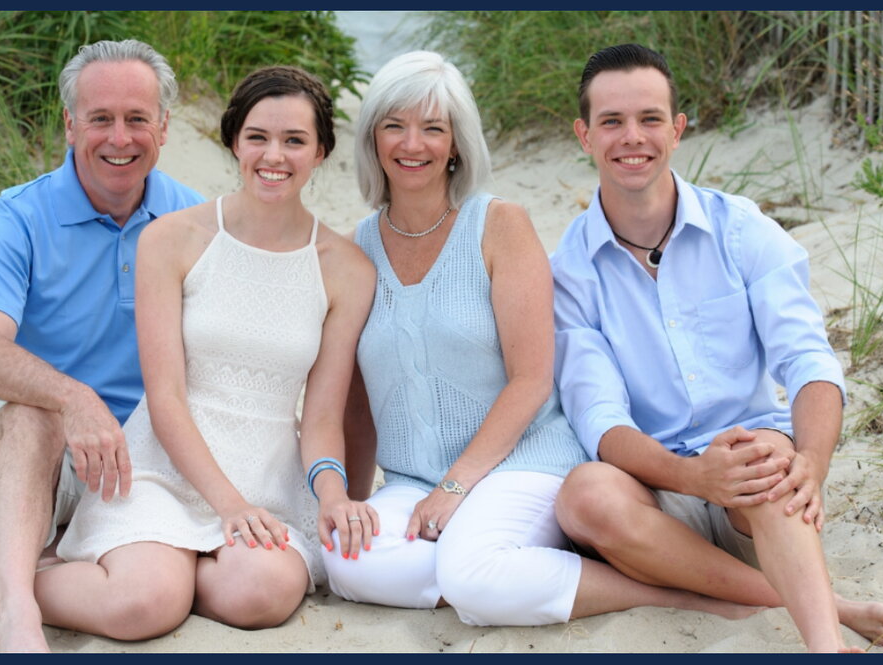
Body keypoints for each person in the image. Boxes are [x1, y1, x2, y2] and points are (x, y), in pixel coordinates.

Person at [0, 64, 377, 647]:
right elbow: (159, 393)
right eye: (258, 137)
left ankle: (147, 570)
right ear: (234, 141)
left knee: (261, 594)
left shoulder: (345, 268)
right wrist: (227, 505)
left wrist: (334, 493)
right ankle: (11, 597)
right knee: (144, 601)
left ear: (322, 151)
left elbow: (321, 416)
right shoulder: (162, 235)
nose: (275, 155)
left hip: (255, 468)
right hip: (139, 458)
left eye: (295, 139)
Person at [324, 50, 756, 627]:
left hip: (523, 463)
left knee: (471, 574)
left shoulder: (499, 224)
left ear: (456, 142)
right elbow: (357, 405)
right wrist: (354, 502)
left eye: (433, 128)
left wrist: (457, 486)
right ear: (373, 139)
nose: (413, 144)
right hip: (413, 481)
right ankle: (524, 570)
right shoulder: (357, 249)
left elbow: (532, 379)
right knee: (347, 563)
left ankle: (686, 597)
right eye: (394, 126)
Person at [549, 43, 883, 652]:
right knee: (584, 496)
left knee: (762, 456)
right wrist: (692, 477)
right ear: (585, 135)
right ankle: (834, 606)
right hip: (659, 494)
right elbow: (599, 417)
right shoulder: (569, 271)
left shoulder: (741, 229)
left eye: (649, 119)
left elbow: (808, 358)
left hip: (754, 485)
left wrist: (810, 464)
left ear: (677, 129)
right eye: (612, 121)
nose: (632, 137)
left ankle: (823, 645)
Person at [0, 39, 204, 652]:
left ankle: (25, 564)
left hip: (134, 465)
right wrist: (74, 399)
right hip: (8, 450)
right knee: (37, 414)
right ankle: (18, 614)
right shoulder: (16, 218)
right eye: (100, 118)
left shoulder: (194, 220)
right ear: (69, 123)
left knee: (157, 596)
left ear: (163, 125)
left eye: (137, 118)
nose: (120, 137)